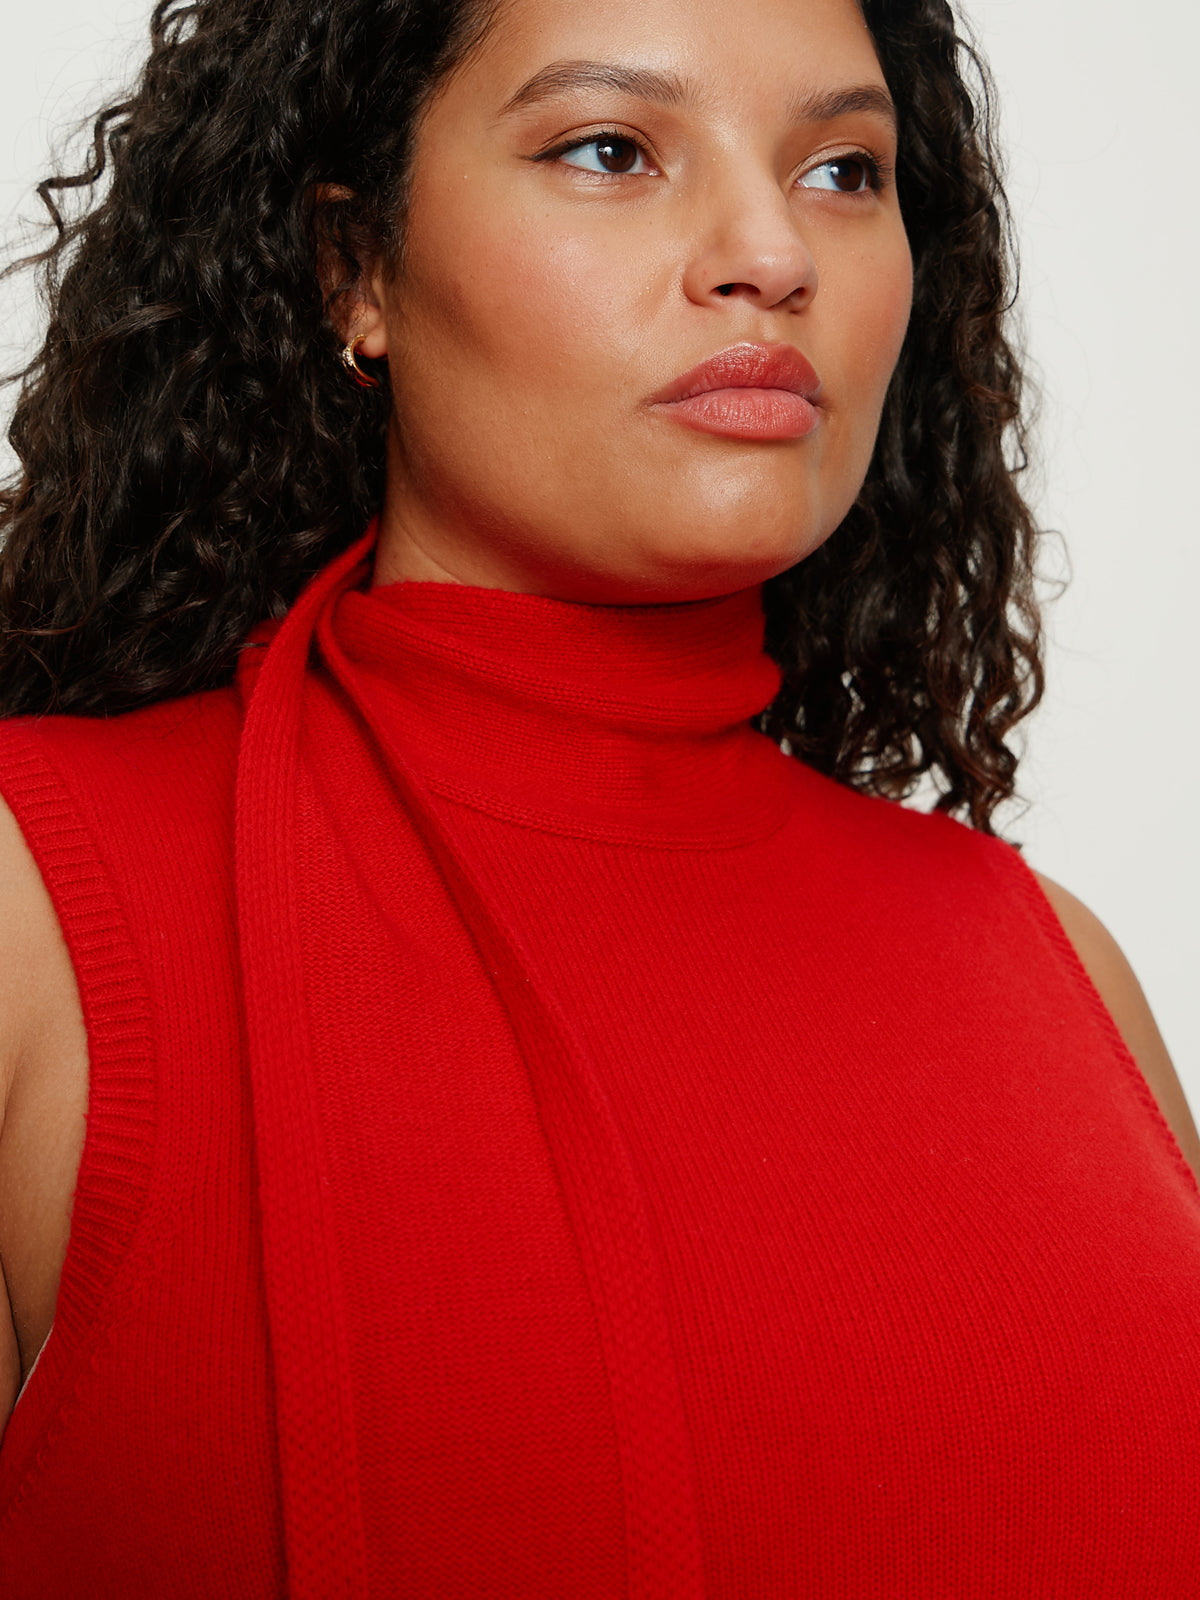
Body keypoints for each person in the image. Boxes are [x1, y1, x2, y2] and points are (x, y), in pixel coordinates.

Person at [0, 0, 1197, 1592]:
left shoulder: (1059, 965)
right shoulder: (37, 908)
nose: (770, 250)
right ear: (356, 271)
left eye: (844, 171)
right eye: (611, 149)